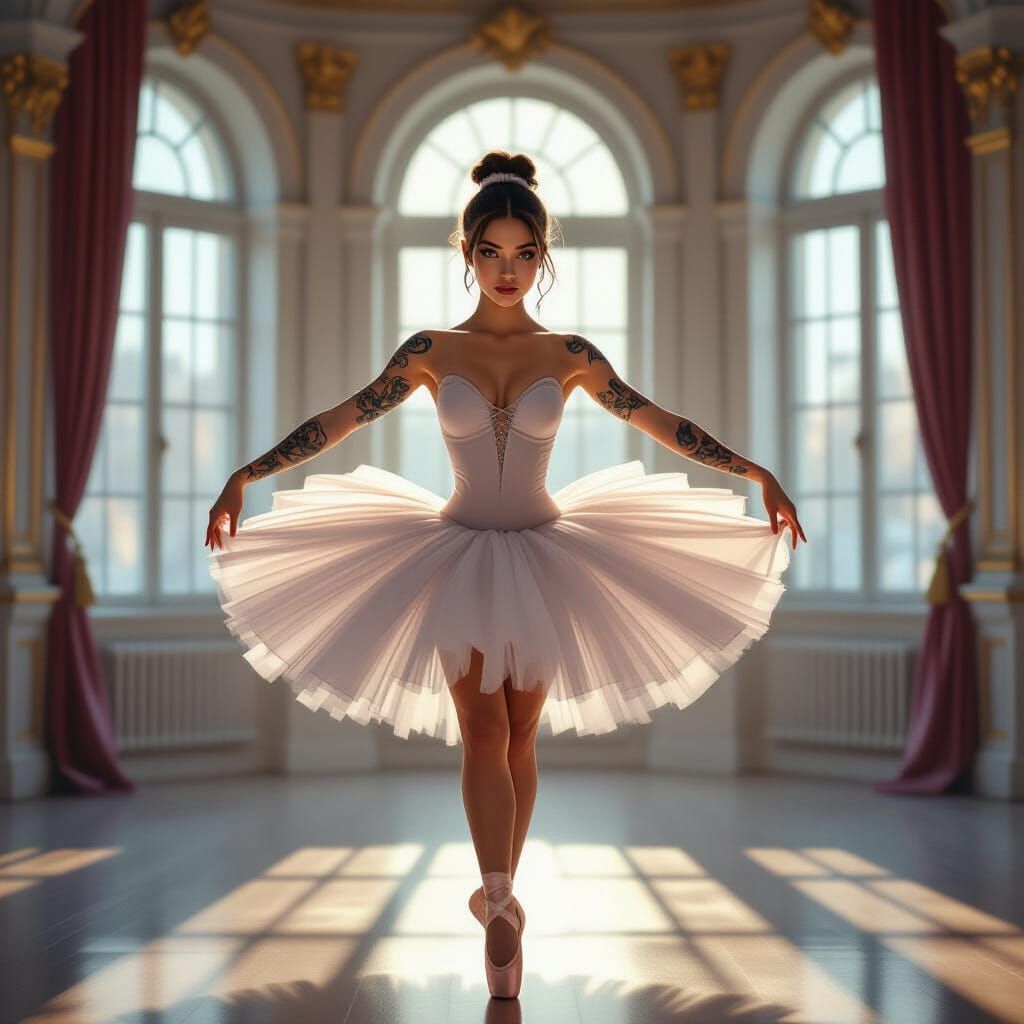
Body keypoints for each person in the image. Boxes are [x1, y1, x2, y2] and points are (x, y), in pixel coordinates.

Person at [203, 150, 806, 999]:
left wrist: (754, 473)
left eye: (525, 254)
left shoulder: (570, 352)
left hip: (549, 553)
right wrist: (248, 474)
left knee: (516, 736)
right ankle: (500, 901)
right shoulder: (427, 349)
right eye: (492, 253)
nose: (509, 270)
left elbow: (659, 422)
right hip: (456, 552)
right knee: (490, 733)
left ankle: (500, 903)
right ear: (467, 253)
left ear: (545, 257)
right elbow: (339, 419)